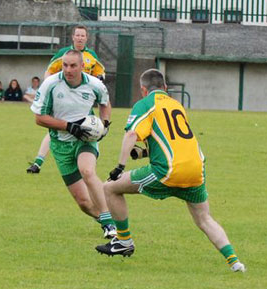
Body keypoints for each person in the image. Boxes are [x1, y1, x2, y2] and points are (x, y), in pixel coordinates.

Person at [95, 69, 246, 273]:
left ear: (143, 90)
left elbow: (131, 135)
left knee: (110, 187)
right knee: (204, 219)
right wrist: (142, 155)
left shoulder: (146, 104)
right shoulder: (177, 105)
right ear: (165, 88)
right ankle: (235, 262)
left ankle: (123, 241)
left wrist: (120, 167)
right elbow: (173, 141)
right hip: (196, 169)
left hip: (167, 171)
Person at [30, 50, 115, 238]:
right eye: (65, 65)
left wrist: (105, 124)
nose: (68, 69)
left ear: (82, 67)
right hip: (60, 144)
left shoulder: (95, 84)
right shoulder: (50, 85)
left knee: (87, 171)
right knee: (84, 203)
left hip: (84, 139)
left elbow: (105, 103)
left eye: (73, 65)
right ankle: (109, 220)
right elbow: (39, 118)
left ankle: (110, 225)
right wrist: (68, 126)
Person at [27, 25, 106, 174]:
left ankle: (85, 165)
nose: (80, 38)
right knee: (57, 128)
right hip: (62, 100)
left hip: (83, 102)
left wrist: (98, 81)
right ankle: (39, 161)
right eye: (78, 35)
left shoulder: (92, 56)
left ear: (86, 38)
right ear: (73, 37)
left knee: (88, 129)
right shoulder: (64, 54)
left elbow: (101, 74)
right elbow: (49, 71)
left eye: (83, 35)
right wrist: (48, 89)